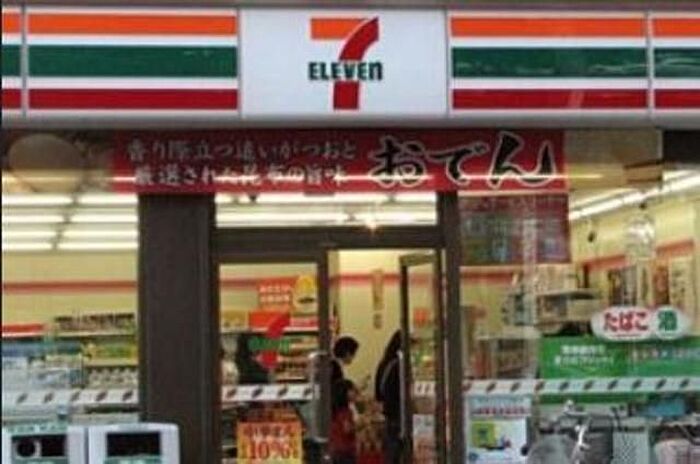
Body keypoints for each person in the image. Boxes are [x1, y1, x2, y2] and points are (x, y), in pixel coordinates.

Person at [374, 330, 402, 464]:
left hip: (389, 415)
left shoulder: (384, 364)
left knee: (390, 453)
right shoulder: (400, 366)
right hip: (399, 415)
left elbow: (378, 395)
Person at [330, 379, 358, 464]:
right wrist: (361, 425)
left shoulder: (334, 410)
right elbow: (347, 429)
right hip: (345, 451)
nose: (355, 393)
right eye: (352, 390)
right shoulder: (345, 411)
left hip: (335, 449)